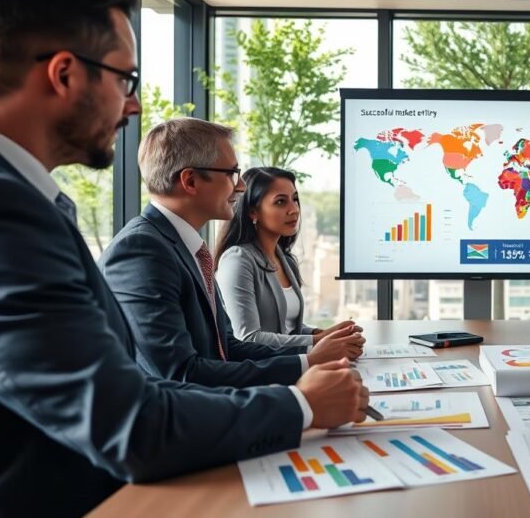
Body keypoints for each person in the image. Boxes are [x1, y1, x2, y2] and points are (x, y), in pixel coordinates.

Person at [0, 0, 367, 517]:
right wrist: (298, 404)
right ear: (64, 73)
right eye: (125, 78)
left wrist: (302, 378)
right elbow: (131, 421)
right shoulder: (6, 211)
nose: (134, 103)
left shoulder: (29, 203)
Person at [100, 118, 366, 388]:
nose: (240, 187)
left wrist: (311, 355)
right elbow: (182, 375)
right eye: (232, 174)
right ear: (190, 181)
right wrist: (307, 364)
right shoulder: (142, 251)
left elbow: (227, 348)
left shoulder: (186, 247)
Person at [215, 167, 359, 352]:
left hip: (293, 363)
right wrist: (318, 341)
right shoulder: (238, 260)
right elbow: (248, 337)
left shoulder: (285, 259)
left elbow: (288, 329)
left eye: (295, 200)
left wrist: (326, 334)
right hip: (262, 372)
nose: (294, 210)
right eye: (281, 202)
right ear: (253, 212)